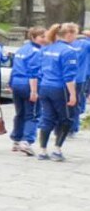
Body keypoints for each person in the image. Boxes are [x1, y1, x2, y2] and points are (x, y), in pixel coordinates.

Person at [35, 23, 80, 161]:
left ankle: (42, 150)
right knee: (67, 118)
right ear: (69, 34)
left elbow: (40, 69)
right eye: (75, 34)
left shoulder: (46, 49)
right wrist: (72, 94)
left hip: (44, 86)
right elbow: (69, 76)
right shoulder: (69, 51)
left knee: (47, 118)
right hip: (60, 88)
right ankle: (57, 149)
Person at [9, 27, 45, 155]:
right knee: (33, 114)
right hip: (29, 84)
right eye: (41, 37)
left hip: (16, 83)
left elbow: (14, 67)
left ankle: (16, 140)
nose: (44, 39)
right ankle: (27, 141)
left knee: (20, 113)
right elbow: (33, 73)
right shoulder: (37, 52)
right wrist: (34, 91)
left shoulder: (22, 49)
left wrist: (10, 83)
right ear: (34, 37)